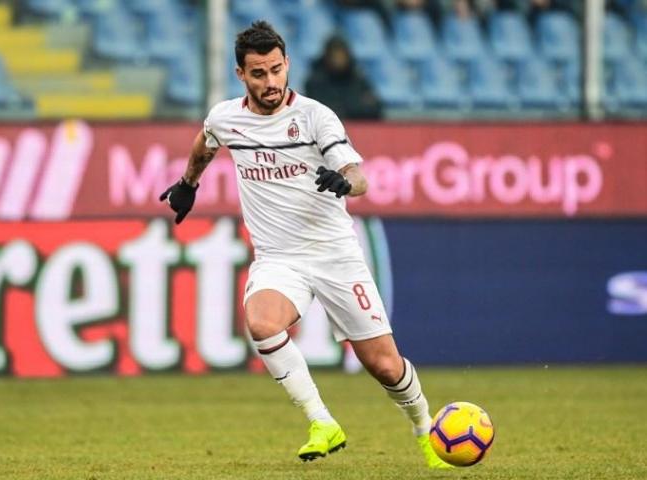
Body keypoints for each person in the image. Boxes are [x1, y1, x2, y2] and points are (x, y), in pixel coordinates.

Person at [159, 20, 451, 469]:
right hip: (279, 259)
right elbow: (206, 140)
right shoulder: (226, 118)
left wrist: (343, 181)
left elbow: (360, 178)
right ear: (241, 75)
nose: (271, 82)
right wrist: (188, 183)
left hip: (336, 256)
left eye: (277, 70)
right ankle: (322, 421)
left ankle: (423, 427)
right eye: (259, 74)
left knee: (386, 367)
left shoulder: (315, 117)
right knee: (261, 324)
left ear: (287, 64)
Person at [304, 35, 382, 120]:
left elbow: (375, 107)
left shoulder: (358, 79)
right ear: (327, 57)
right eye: (335, 56)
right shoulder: (315, 82)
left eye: (341, 56)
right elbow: (318, 111)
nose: (338, 60)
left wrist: (345, 109)